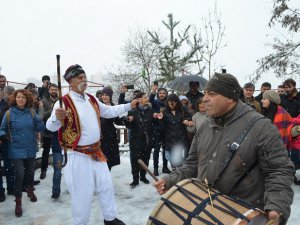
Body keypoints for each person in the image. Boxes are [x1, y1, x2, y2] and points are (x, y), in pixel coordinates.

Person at [154, 73, 294, 225]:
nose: (205, 98)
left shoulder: (262, 127)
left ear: (230, 98)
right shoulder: (205, 125)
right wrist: (170, 180)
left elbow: (279, 170)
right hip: (206, 212)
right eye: (205, 93)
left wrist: (276, 206)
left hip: (244, 217)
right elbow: (193, 163)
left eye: (212, 94)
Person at [46, 64, 138, 225]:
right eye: (80, 78)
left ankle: (110, 219)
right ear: (71, 81)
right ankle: (80, 223)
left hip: (96, 152)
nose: (84, 80)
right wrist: (56, 117)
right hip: (77, 155)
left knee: (106, 186)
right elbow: (50, 127)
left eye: (85, 77)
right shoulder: (63, 102)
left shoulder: (91, 99)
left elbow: (108, 111)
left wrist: (129, 105)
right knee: (82, 193)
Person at [0, 89, 45, 217]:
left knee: (30, 172)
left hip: (30, 147)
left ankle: (30, 189)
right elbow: (2, 129)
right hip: (15, 148)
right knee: (20, 174)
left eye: (23, 98)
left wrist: (41, 122)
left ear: (27, 100)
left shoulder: (31, 112)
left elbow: (40, 127)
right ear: (15, 98)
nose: (21, 99)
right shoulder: (9, 113)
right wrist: (3, 136)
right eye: (19, 97)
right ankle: (18, 200)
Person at [124, 92, 155, 188]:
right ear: (139, 100)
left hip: (147, 140)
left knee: (145, 159)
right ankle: (135, 179)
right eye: (145, 97)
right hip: (136, 141)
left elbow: (153, 125)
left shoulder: (150, 110)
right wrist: (128, 120)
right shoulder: (132, 111)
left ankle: (143, 176)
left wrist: (157, 118)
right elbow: (128, 126)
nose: (147, 99)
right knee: (135, 160)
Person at [156, 94, 192, 169]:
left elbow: (190, 117)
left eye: (172, 103)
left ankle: (181, 175)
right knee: (173, 161)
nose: (171, 105)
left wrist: (187, 120)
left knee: (183, 161)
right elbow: (162, 128)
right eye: (169, 104)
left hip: (182, 138)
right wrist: (160, 119)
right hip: (170, 139)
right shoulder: (165, 111)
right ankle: (176, 174)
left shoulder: (183, 109)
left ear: (177, 102)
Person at [149, 84, 171, 176]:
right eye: (160, 93)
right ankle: (155, 168)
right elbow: (150, 100)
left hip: (166, 130)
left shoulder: (169, 104)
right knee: (157, 150)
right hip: (156, 129)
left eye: (164, 93)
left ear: (166, 94)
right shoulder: (155, 102)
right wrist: (153, 91)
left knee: (166, 149)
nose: (162, 95)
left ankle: (165, 167)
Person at [100, 87, 124, 170]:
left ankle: (107, 177)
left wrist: (126, 120)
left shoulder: (113, 106)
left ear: (110, 96)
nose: (104, 97)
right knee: (100, 160)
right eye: (103, 95)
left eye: (106, 95)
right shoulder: (98, 106)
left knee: (109, 160)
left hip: (110, 136)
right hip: (100, 136)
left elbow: (117, 121)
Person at [39, 83, 59, 179]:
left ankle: (58, 170)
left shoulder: (61, 101)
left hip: (59, 131)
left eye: (55, 89)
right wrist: (52, 110)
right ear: (49, 90)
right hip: (47, 131)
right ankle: (43, 170)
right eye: (52, 90)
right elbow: (42, 116)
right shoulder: (43, 101)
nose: (54, 91)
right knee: (46, 152)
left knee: (58, 153)